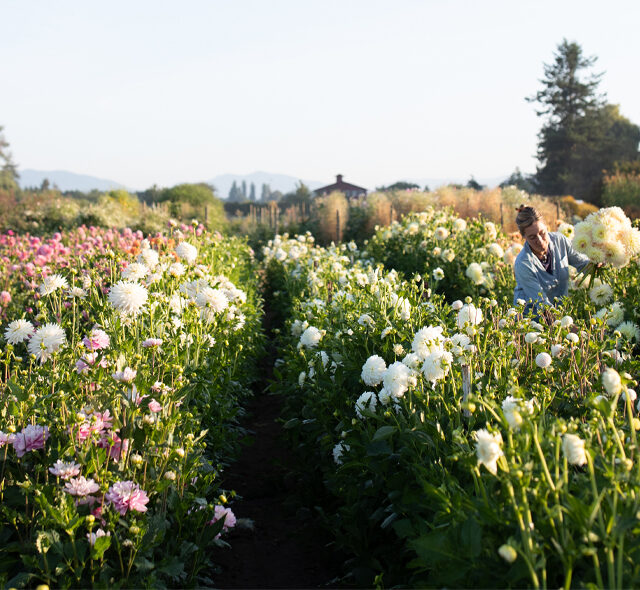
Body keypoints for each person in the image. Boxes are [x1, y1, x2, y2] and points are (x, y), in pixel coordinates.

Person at [513, 205, 590, 315]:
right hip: (531, 321)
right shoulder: (523, 263)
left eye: (542, 233)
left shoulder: (560, 241)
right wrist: (567, 326)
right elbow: (542, 305)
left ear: (546, 227)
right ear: (524, 237)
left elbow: (583, 263)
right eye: (532, 237)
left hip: (558, 316)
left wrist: (597, 262)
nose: (539, 240)